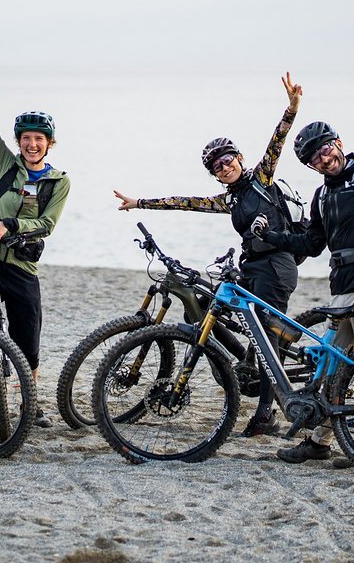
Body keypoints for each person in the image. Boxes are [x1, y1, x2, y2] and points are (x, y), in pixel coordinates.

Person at [113, 73, 303, 437]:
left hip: (278, 266)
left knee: (266, 337)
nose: (224, 166)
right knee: (201, 301)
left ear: (239, 158)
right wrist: (139, 203)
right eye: (216, 166)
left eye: (227, 159)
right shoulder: (228, 200)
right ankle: (235, 364)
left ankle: (266, 413)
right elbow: (183, 202)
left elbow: (277, 142)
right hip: (251, 267)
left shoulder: (260, 179)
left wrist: (291, 109)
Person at [254, 81, 354, 464]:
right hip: (341, 290)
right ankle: (320, 441)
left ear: (338, 143)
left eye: (326, 151)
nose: (323, 160)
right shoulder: (322, 196)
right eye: (314, 160)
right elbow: (311, 244)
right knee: (332, 368)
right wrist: (271, 237)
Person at [0, 42, 71, 428]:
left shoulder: (59, 181)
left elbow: (47, 225)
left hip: (24, 265)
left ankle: (30, 402)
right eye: (25, 137)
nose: (31, 143)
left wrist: (10, 225)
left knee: (28, 339)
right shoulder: (5, 164)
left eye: (39, 138)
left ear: (49, 143)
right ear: (19, 141)